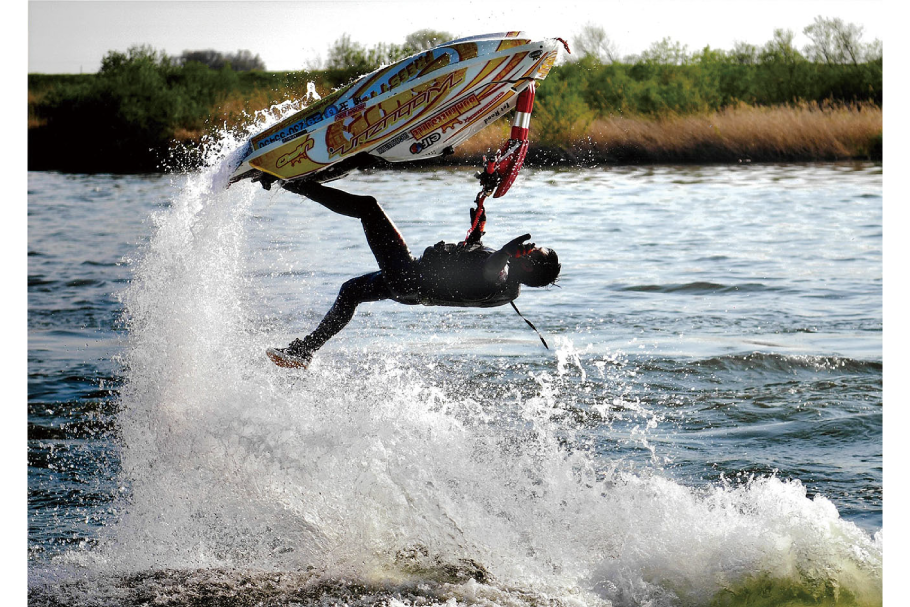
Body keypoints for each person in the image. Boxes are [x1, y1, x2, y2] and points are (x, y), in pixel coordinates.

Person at [265, 179, 561, 368]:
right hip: (412, 288)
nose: (533, 247)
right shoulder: (506, 279)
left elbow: (491, 268)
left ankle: (289, 182)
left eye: (537, 252)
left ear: (531, 265)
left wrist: (508, 250)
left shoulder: (505, 277)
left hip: (410, 276)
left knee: (368, 208)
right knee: (351, 291)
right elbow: (470, 268)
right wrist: (478, 233)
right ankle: (304, 351)